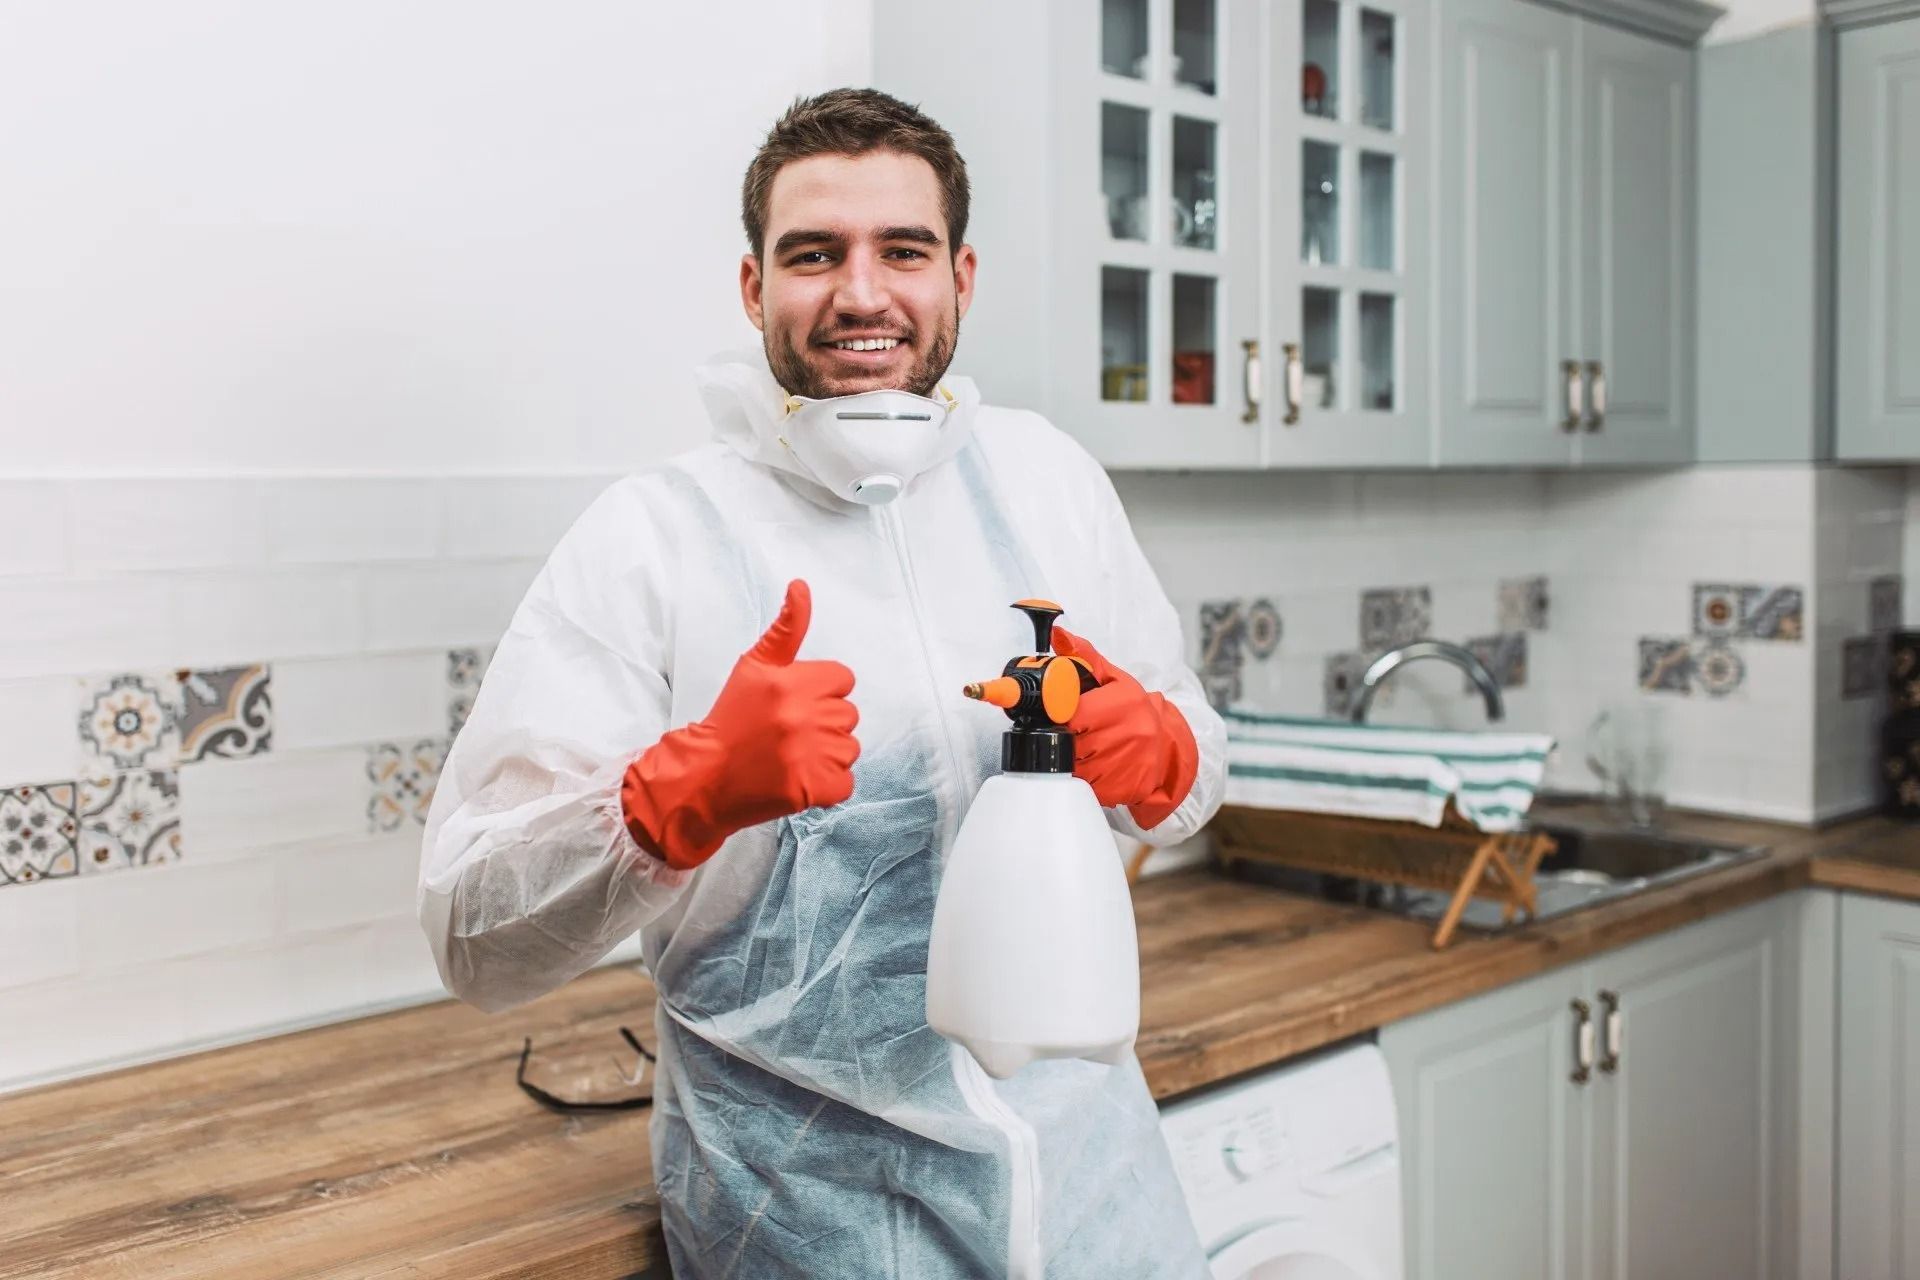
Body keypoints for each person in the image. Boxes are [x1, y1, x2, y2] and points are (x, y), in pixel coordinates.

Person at [417, 87, 1224, 1279]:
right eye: (813, 255)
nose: (861, 293)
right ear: (755, 287)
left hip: (1094, 1189)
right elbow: (470, 936)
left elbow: (1197, 751)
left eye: (903, 250)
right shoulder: (652, 537)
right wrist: (668, 802)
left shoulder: (1049, 481)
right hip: (809, 1214)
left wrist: (1168, 752)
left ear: (961, 275)